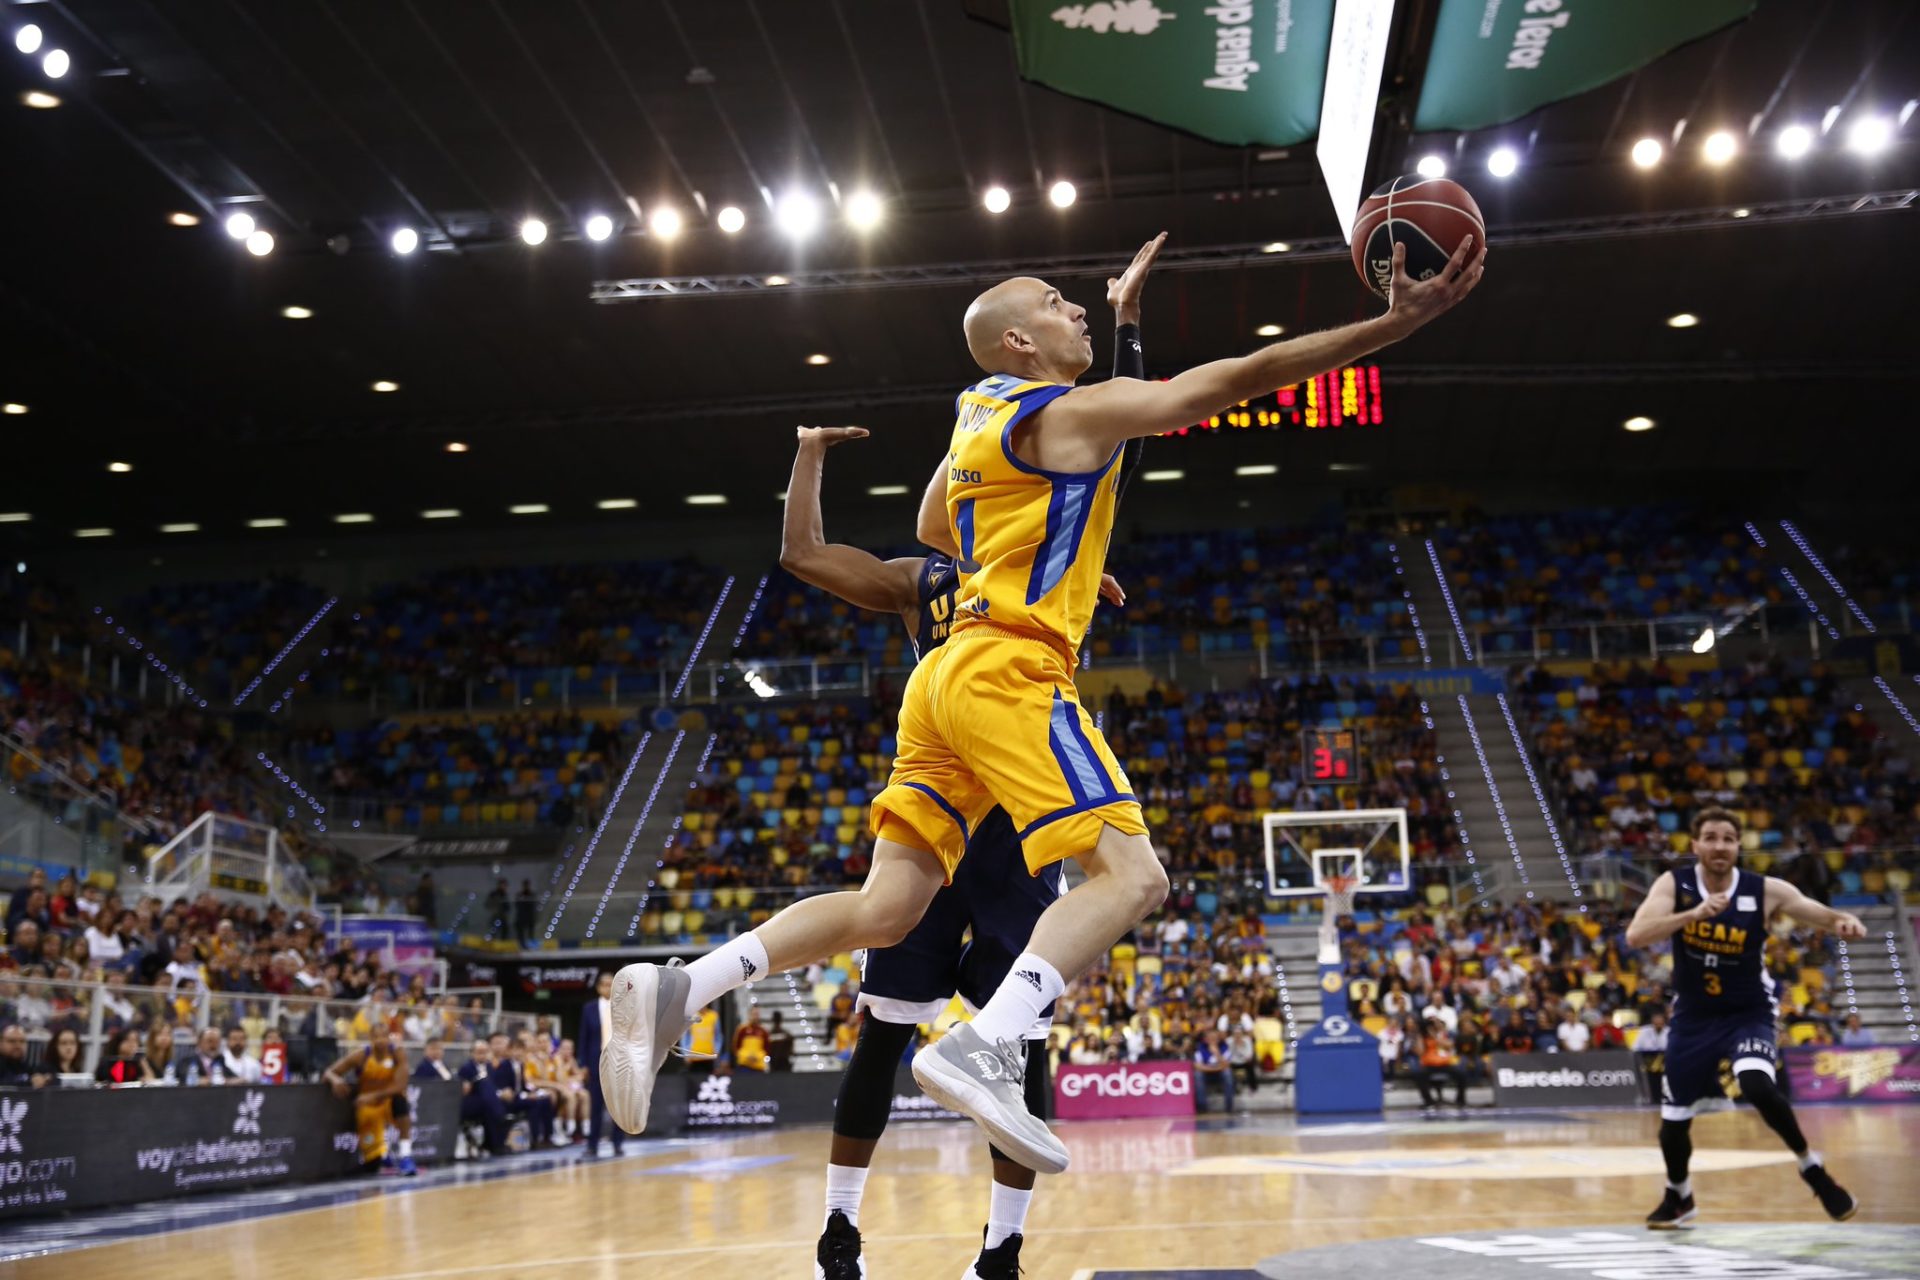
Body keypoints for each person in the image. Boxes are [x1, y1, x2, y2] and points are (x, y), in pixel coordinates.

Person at [601, 228, 1484, 1178]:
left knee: (888, 908)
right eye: (1059, 305)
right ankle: (986, 1042)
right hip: (1010, 670)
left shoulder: (976, 411)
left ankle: (685, 985)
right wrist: (1391, 325)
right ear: (1021, 341)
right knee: (1134, 878)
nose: (1077, 311)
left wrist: (1065, 554)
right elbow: (1237, 379)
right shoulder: (1066, 413)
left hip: (938, 683)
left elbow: (937, 524)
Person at [775, 246, 1158, 1280]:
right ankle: (840, 1228)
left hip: (1017, 819)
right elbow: (805, 555)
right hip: (945, 802)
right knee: (883, 1030)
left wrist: (1124, 329)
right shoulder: (925, 578)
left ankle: (1002, 1248)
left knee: (1017, 1044)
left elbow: (1110, 441)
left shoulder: (1054, 558)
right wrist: (808, 458)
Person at [1626, 807, 1862, 1228]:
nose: (1719, 846)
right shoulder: (1675, 884)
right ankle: (1679, 1196)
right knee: (1673, 1122)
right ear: (1695, 845)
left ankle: (1812, 1168)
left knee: (1756, 1084)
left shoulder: (1764, 889)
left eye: (1728, 839)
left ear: (1738, 846)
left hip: (1747, 1011)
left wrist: (1843, 920)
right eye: (1711, 838)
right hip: (1694, 1016)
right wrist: (1693, 915)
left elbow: (1815, 911)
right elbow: (1636, 935)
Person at [325, 1030, 415, 1176]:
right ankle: (381, 1155)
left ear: (389, 1038)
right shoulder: (361, 1055)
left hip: (387, 1100)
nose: (380, 1040)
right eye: (376, 1037)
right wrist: (335, 1079)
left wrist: (374, 1095)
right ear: (370, 1039)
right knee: (372, 1165)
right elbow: (328, 1072)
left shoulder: (397, 1053)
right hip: (367, 1106)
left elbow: (400, 1086)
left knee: (401, 1102)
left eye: (383, 1036)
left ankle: (406, 1156)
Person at [577, 972, 624, 1157]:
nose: (608, 987)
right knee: (595, 1106)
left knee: (618, 1106)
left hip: (619, 1061)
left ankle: (617, 1143)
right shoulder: (589, 1008)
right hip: (596, 1062)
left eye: (611, 984)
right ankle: (592, 1145)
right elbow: (584, 1037)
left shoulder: (624, 1006)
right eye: (604, 984)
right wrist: (583, 1064)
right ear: (598, 987)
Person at [490, 1031, 556, 1148]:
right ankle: (535, 1139)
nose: (518, 1052)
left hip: (520, 1097)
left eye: (520, 1049)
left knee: (545, 1100)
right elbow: (507, 1090)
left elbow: (523, 1087)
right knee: (533, 1103)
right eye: (515, 1049)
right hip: (509, 1101)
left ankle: (548, 1137)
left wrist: (534, 1092)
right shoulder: (504, 1065)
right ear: (509, 1051)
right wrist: (526, 1096)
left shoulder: (520, 1065)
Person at [456, 1037, 508, 1156]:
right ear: (472, 1053)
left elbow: (496, 1086)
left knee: (491, 1107)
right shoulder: (466, 1068)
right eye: (479, 1052)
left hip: (488, 1103)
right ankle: (496, 1142)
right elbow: (463, 1088)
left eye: (485, 1052)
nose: (482, 1055)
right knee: (484, 1085)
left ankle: (495, 1144)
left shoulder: (490, 1067)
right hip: (471, 1102)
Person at [1193, 1029, 1234, 1114]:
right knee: (1198, 1075)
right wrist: (1216, 1068)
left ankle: (1229, 1107)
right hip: (1206, 1074)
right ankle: (1202, 1107)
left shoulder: (1224, 1047)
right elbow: (1197, 1066)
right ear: (1206, 1039)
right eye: (1210, 1038)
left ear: (1218, 1039)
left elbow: (1227, 1065)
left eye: (1215, 1038)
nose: (1213, 1040)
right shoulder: (1200, 1048)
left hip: (1220, 1073)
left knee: (1228, 1073)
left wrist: (1217, 1053)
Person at [1634, 1011, 1670, 1106]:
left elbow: (1671, 1046)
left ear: (1664, 1021)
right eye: (1656, 1020)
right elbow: (1636, 1047)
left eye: (1660, 1020)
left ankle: (1665, 1097)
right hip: (1648, 1059)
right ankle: (1651, 1098)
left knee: (1664, 1080)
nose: (1658, 1022)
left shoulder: (1669, 1031)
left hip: (1664, 1059)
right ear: (1652, 1021)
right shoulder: (1644, 1031)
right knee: (1651, 1080)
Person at [0, 1022, 43, 1086]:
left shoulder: (27, 1067)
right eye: (12, 1041)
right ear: (1, 1044)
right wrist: (29, 1083)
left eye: (22, 1041)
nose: (18, 1045)